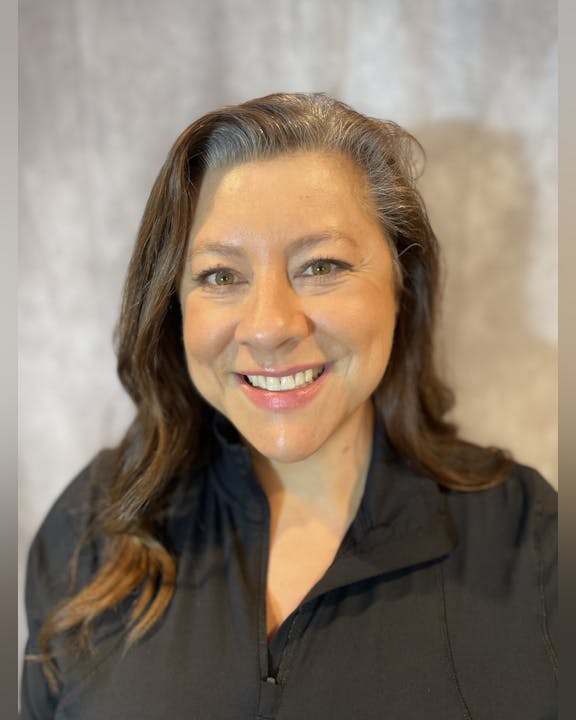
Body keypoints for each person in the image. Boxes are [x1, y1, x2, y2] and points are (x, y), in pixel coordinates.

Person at [20, 92, 557, 719]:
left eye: (321, 265)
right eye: (221, 275)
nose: (269, 326)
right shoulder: (90, 529)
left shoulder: (535, 546)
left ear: (400, 285)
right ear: (173, 306)